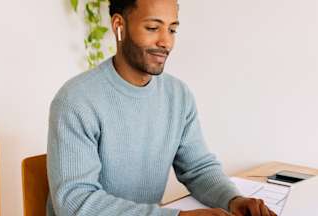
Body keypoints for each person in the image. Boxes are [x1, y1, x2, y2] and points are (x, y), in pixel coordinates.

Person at [46, 0, 277, 215]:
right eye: (153, 28)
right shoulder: (76, 100)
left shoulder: (178, 95)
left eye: (172, 29)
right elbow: (74, 202)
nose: (165, 42)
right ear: (119, 25)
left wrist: (233, 200)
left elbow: (197, 169)